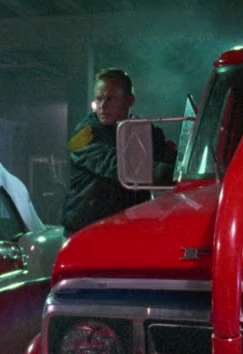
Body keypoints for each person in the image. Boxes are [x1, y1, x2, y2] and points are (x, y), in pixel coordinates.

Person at [60, 67, 176, 236]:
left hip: (125, 229)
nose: (103, 106)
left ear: (130, 101)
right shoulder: (86, 134)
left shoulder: (143, 132)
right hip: (86, 232)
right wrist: (175, 175)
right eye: (99, 99)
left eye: (110, 99)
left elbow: (170, 157)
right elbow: (119, 165)